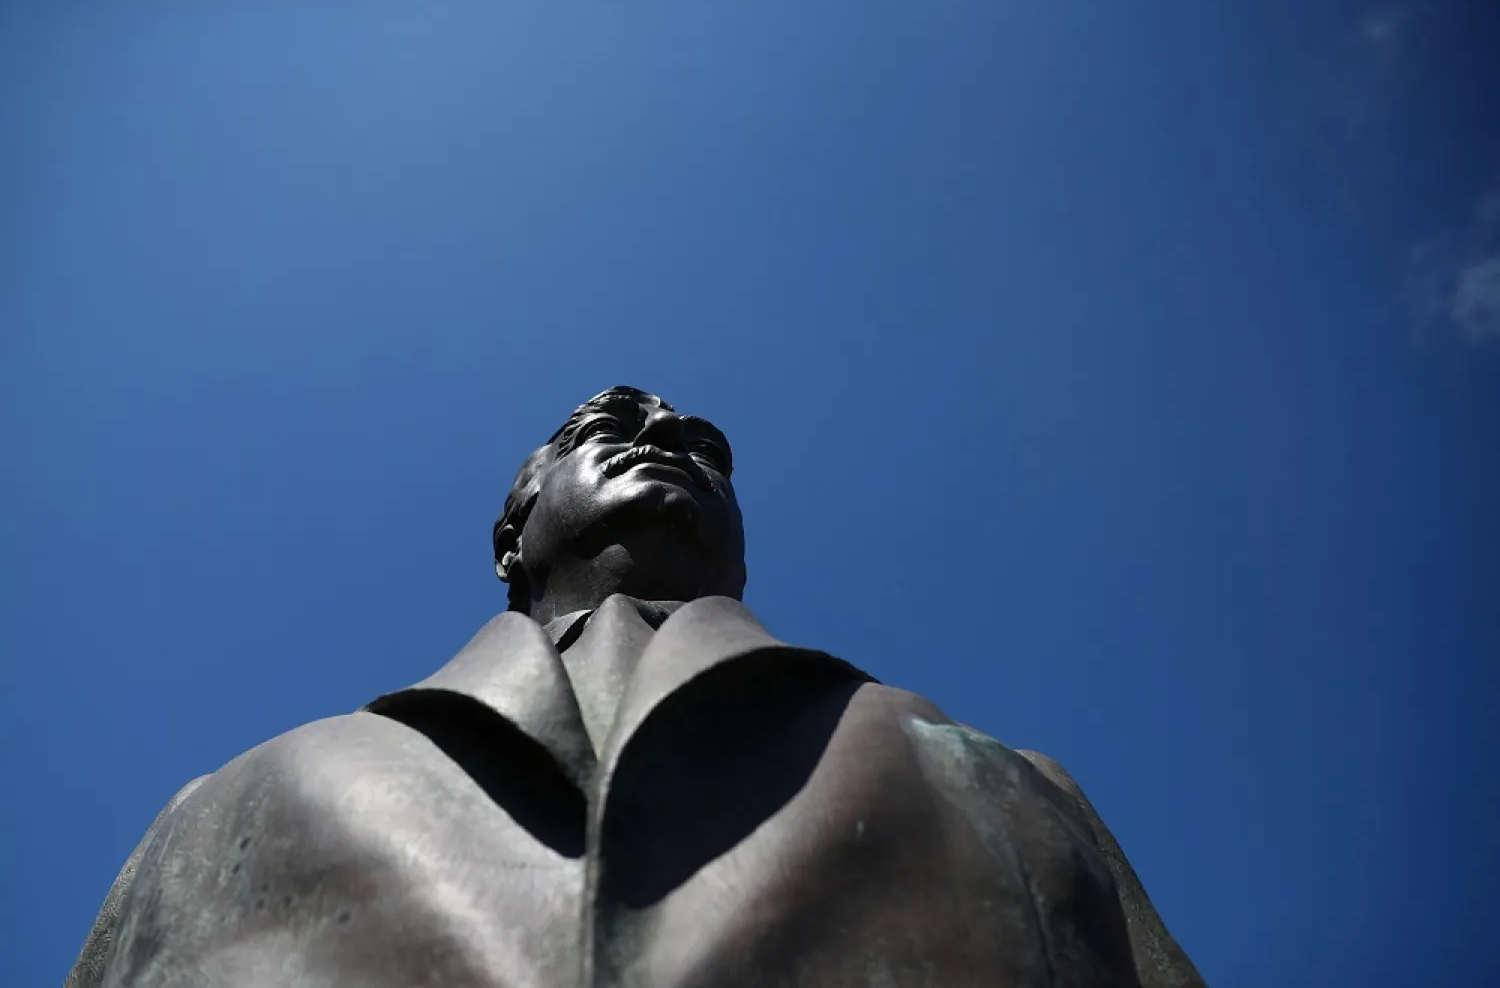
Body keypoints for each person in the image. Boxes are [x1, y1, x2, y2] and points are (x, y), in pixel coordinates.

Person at [67, 386, 1206, 988]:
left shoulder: (1013, 788)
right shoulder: (216, 815)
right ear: (512, 530)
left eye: (698, 444)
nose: (661, 433)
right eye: (606, 426)